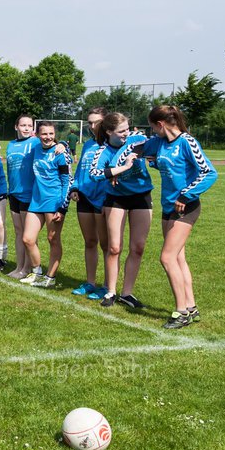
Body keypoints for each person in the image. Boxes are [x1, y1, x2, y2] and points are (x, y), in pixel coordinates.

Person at [140, 105, 218, 329]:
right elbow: (141, 149)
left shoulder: (187, 142)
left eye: (153, 128)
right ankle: (191, 308)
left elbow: (209, 172)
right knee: (178, 258)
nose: (153, 132)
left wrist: (186, 194)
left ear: (160, 124)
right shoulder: (161, 143)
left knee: (167, 258)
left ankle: (181, 311)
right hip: (168, 206)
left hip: (186, 207)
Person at [87, 111, 153, 309]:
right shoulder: (103, 151)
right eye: (121, 131)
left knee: (138, 247)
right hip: (115, 198)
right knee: (114, 247)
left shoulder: (138, 140)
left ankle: (127, 293)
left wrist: (155, 160)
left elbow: (158, 148)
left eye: (127, 129)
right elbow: (95, 173)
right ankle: (111, 291)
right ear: (108, 132)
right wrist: (121, 168)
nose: (127, 133)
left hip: (141, 196)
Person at [19, 121, 71, 288]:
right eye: (44, 134)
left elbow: (67, 180)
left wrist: (62, 207)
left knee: (52, 239)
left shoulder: (60, 153)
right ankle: (37, 272)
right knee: (27, 239)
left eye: (51, 134)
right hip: (36, 200)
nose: (48, 137)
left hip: (54, 201)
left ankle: (50, 277)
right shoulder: (35, 148)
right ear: (37, 135)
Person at [69, 107, 110, 299]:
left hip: (103, 198)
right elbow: (80, 170)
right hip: (84, 197)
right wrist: (75, 187)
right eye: (90, 123)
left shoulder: (112, 145)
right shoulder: (87, 145)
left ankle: (107, 285)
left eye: (97, 122)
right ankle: (90, 283)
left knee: (106, 244)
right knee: (90, 242)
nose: (92, 126)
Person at [4, 116, 38, 280]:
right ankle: (19, 266)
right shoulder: (11, 145)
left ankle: (27, 268)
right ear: (16, 126)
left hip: (28, 194)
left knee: (28, 234)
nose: (26, 128)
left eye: (29, 125)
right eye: (23, 125)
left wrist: (61, 145)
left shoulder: (35, 142)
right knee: (18, 232)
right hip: (14, 194)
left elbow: (53, 144)